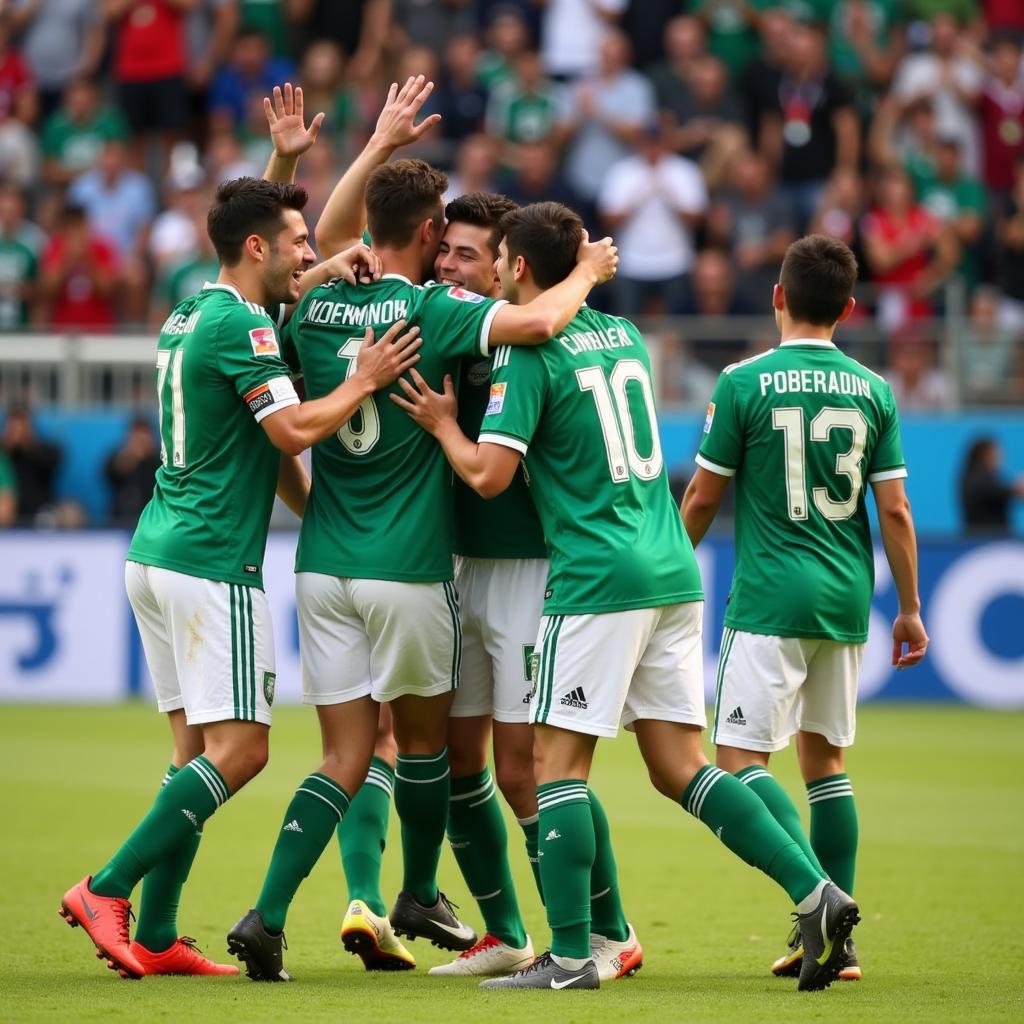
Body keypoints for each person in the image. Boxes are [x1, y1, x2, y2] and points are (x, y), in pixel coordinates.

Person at [397, 203, 858, 993]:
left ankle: (574, 955)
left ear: (519, 269)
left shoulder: (527, 357)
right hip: (672, 567)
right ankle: (816, 893)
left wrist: (444, 424)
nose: (499, 272)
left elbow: (489, 475)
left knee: (555, 767)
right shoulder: (626, 336)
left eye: (501, 258)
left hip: (598, 573)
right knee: (680, 764)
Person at [226, 76, 619, 983]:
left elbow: (316, 244)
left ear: (371, 233)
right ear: (434, 232)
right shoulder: (434, 311)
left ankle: (268, 913)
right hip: (407, 569)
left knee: (341, 756)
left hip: (320, 563)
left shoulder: (314, 303)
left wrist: (376, 143)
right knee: (434, 758)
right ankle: (416, 892)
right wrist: (588, 273)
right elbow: (534, 319)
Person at [58, 88, 424, 981]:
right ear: (260, 249)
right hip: (210, 562)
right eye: (301, 244)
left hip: (157, 551)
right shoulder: (243, 324)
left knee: (193, 758)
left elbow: (257, 244)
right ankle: (107, 889)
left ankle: (156, 936)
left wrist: (288, 166)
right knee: (246, 749)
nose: (316, 254)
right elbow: (293, 432)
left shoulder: (195, 304)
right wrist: (365, 378)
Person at [681, 233, 929, 985]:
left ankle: (815, 898)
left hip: (768, 598)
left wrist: (665, 568)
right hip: (847, 597)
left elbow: (701, 495)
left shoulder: (742, 382)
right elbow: (896, 512)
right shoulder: (876, 391)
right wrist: (910, 609)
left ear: (778, 296)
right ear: (850, 309)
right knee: (826, 763)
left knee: (738, 762)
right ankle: (835, 938)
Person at [1, 404, 60, 522]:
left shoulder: (44, 450)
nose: (18, 433)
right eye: (13, 428)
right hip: (8, 519)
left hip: (39, 516)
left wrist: (27, 445)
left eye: (22, 427)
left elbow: (54, 459)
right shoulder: (4, 454)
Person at [104, 415, 162, 525]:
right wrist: (131, 459)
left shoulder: (160, 462)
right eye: (136, 437)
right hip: (120, 522)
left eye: (144, 436)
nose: (141, 441)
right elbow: (109, 473)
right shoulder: (119, 459)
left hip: (153, 522)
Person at [959, 437, 1024, 534]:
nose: (1000, 459)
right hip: (987, 539)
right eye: (996, 454)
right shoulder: (979, 479)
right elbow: (1012, 491)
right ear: (986, 455)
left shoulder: (973, 476)